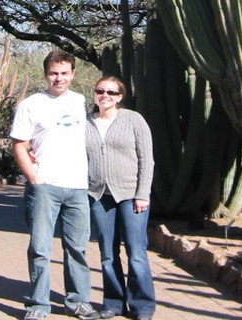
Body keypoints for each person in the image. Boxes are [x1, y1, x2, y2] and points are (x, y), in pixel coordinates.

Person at [10, 50, 100, 320]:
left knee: (77, 248)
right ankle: (38, 305)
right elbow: (19, 145)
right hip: (44, 187)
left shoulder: (80, 101)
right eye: (53, 73)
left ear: (73, 74)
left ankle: (78, 302)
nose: (58, 78)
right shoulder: (30, 105)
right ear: (45, 74)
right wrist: (35, 179)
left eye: (64, 73)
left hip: (78, 187)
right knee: (40, 248)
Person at [86, 76, 156, 320]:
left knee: (136, 253)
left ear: (120, 97)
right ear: (94, 94)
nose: (105, 96)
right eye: (100, 91)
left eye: (111, 92)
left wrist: (142, 193)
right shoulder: (85, 122)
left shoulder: (133, 119)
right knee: (107, 254)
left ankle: (142, 306)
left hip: (130, 195)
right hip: (98, 195)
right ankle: (113, 304)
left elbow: (147, 159)